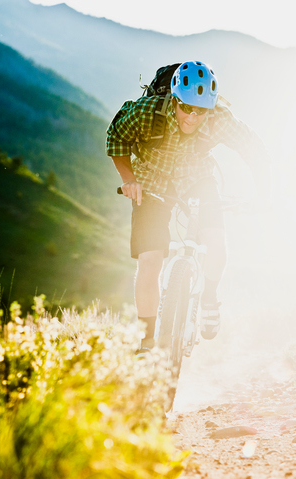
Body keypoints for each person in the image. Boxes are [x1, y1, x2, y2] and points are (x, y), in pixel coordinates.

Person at [106, 60, 270, 352]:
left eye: (201, 111)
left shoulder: (218, 119)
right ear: (174, 98)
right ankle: (146, 342)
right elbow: (116, 136)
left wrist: (263, 193)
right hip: (150, 180)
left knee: (215, 242)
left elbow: (253, 148)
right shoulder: (146, 113)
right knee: (150, 260)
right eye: (186, 108)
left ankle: (208, 298)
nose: (193, 118)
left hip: (197, 177)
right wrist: (129, 179)